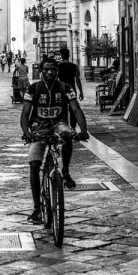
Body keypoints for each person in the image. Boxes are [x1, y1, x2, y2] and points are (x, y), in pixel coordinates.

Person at [21, 58, 88, 223]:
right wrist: (27, 132)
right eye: (46, 69)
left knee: (68, 135)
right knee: (34, 165)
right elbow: (25, 113)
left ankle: (65, 171)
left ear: (57, 71)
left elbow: (76, 109)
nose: (50, 72)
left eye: (53, 69)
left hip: (60, 125)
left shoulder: (66, 88)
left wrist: (83, 130)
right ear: (41, 71)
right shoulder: (33, 89)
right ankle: (37, 208)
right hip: (39, 127)